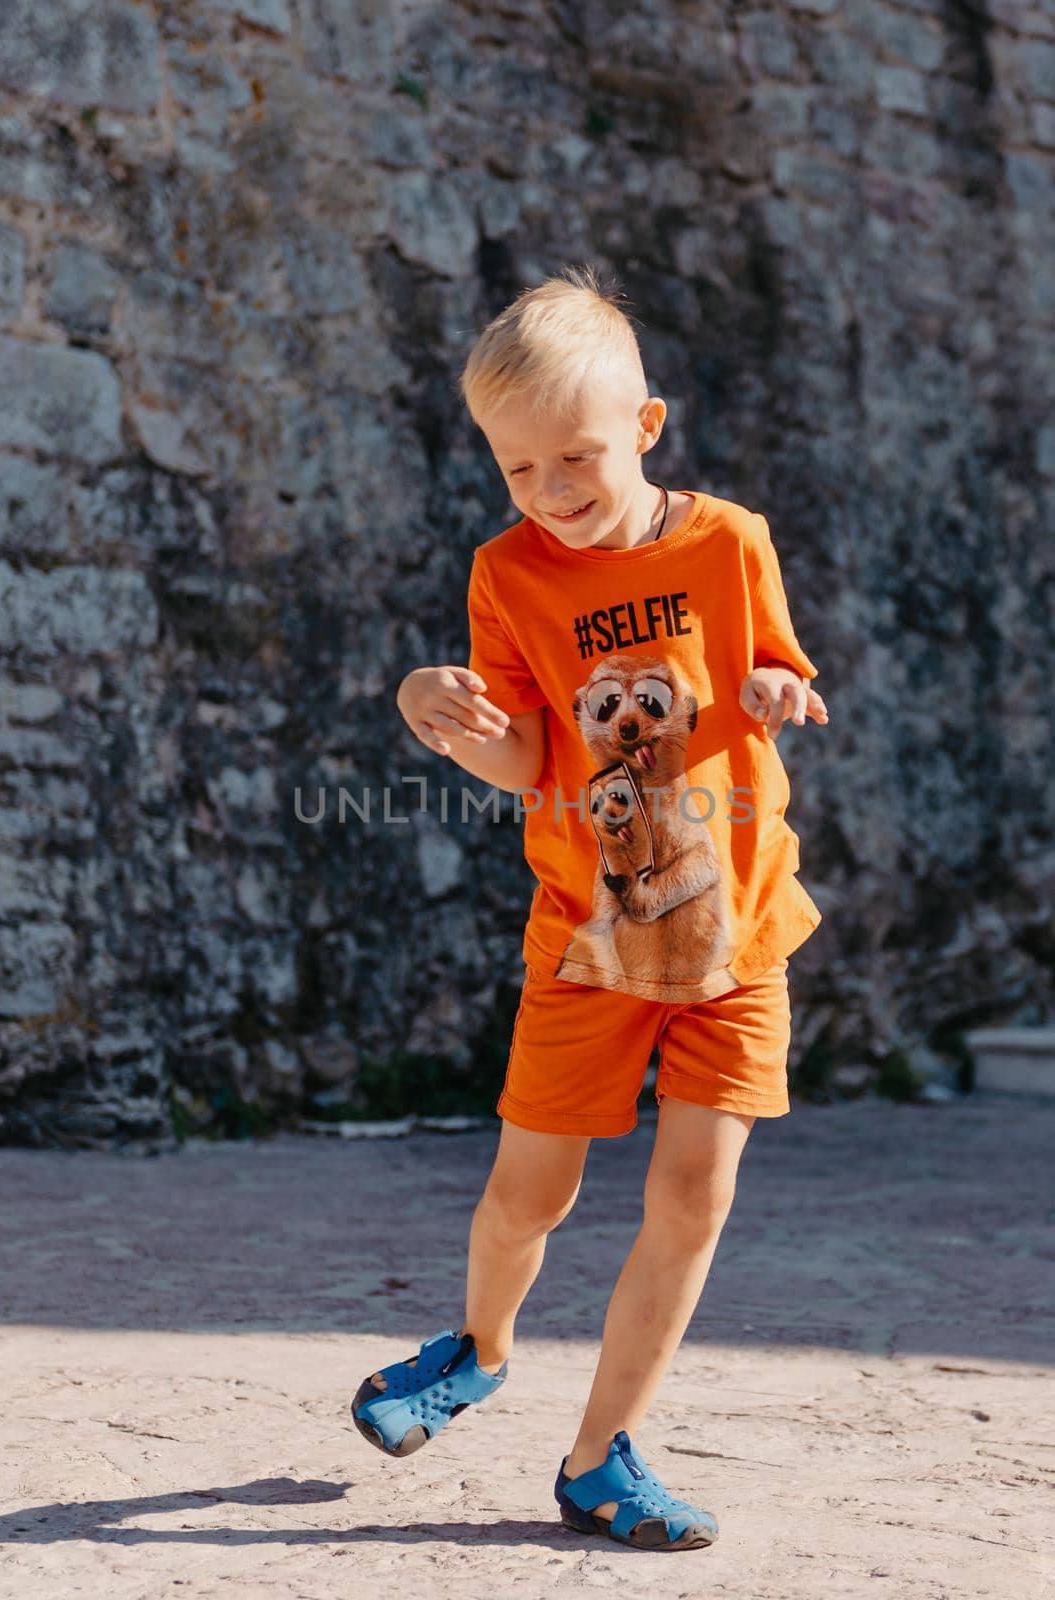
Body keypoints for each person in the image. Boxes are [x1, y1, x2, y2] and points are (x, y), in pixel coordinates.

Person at [351, 264, 831, 1552]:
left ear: (648, 427)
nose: (552, 495)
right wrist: (435, 714)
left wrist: (781, 691)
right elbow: (524, 753)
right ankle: (481, 1347)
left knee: (693, 1194)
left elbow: (778, 662)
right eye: (519, 471)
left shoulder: (728, 541)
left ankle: (598, 1458)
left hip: (737, 929)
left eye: (577, 458)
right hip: (585, 936)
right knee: (529, 1197)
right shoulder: (507, 574)